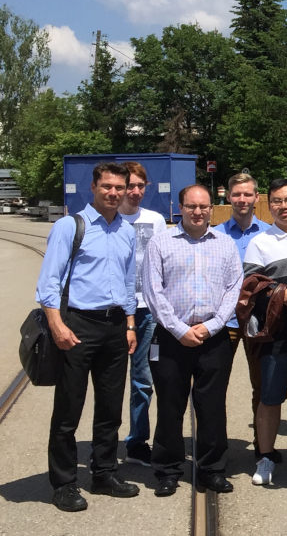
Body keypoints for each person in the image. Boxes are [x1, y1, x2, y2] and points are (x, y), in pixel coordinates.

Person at [37, 162, 139, 512]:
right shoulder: (71, 226)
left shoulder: (126, 230)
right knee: (68, 410)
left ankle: (103, 474)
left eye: (119, 188)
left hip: (114, 328)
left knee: (110, 409)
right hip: (78, 326)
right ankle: (64, 483)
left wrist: (129, 324)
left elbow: (129, 282)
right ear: (93, 187)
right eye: (107, 186)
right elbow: (49, 280)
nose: (114, 193)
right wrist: (57, 324)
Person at [144, 184, 243, 497]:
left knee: (212, 406)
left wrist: (212, 326)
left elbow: (234, 288)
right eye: (191, 206)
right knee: (170, 406)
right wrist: (178, 329)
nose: (197, 212)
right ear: (180, 208)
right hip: (172, 337)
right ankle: (168, 470)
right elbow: (152, 291)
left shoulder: (225, 245)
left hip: (213, 338)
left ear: (211, 208)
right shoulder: (160, 243)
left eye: (203, 207)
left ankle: (212, 470)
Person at [243, 179, 287, 486]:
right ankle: (266, 456)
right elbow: (248, 286)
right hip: (276, 333)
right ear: (268, 205)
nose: (283, 206)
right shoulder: (260, 242)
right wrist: (277, 291)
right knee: (270, 397)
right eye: (276, 201)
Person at [216, 172, 270, 457]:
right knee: (215, 386)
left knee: (261, 385)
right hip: (224, 321)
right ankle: (216, 446)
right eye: (236, 194)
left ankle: (263, 446)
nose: (242, 199)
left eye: (247, 194)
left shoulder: (269, 234)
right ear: (228, 197)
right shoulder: (215, 234)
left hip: (256, 320)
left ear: (256, 198)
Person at [118, 160, 167, 468]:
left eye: (140, 186)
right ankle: (104, 439)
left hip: (147, 309)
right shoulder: (107, 219)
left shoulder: (156, 220)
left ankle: (137, 441)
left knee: (142, 380)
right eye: (130, 186)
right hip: (114, 311)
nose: (135, 192)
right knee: (107, 380)